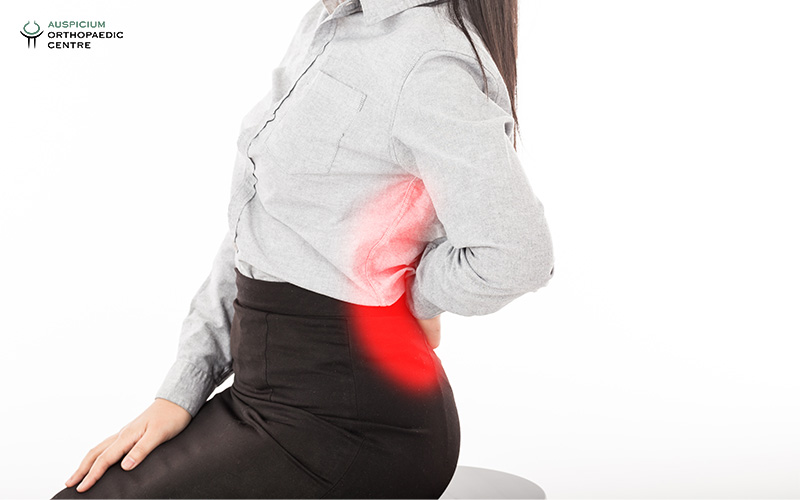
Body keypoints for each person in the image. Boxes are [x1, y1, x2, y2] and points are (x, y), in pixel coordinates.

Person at [51, 0, 554, 497]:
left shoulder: (429, 57)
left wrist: (415, 292)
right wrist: (184, 386)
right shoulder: (331, 20)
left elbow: (517, 254)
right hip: (265, 393)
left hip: (355, 427)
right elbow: (261, 221)